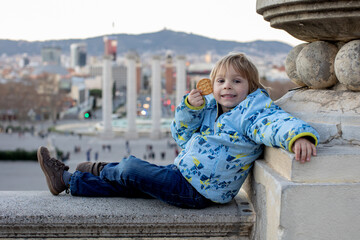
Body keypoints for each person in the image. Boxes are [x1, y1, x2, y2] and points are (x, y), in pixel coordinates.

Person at [37, 53, 319, 209]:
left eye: (236, 81)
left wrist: (299, 136)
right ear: (212, 85)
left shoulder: (252, 114)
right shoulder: (208, 107)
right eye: (220, 80)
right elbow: (181, 134)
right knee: (125, 186)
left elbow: (276, 122)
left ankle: (100, 168)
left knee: (133, 169)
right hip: (182, 174)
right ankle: (67, 180)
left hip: (199, 192)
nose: (227, 86)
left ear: (251, 88)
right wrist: (189, 108)